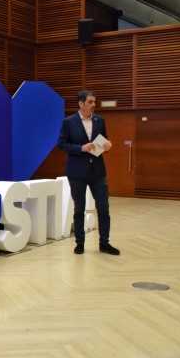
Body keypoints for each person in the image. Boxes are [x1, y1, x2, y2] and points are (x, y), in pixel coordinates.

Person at [57, 90, 120, 256]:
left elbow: (104, 140)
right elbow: (62, 144)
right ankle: (80, 243)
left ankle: (104, 243)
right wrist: (80, 148)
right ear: (81, 103)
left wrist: (107, 146)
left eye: (94, 102)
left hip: (97, 171)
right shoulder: (69, 122)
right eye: (90, 102)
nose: (94, 105)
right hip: (77, 171)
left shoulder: (100, 120)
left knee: (104, 208)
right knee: (79, 209)